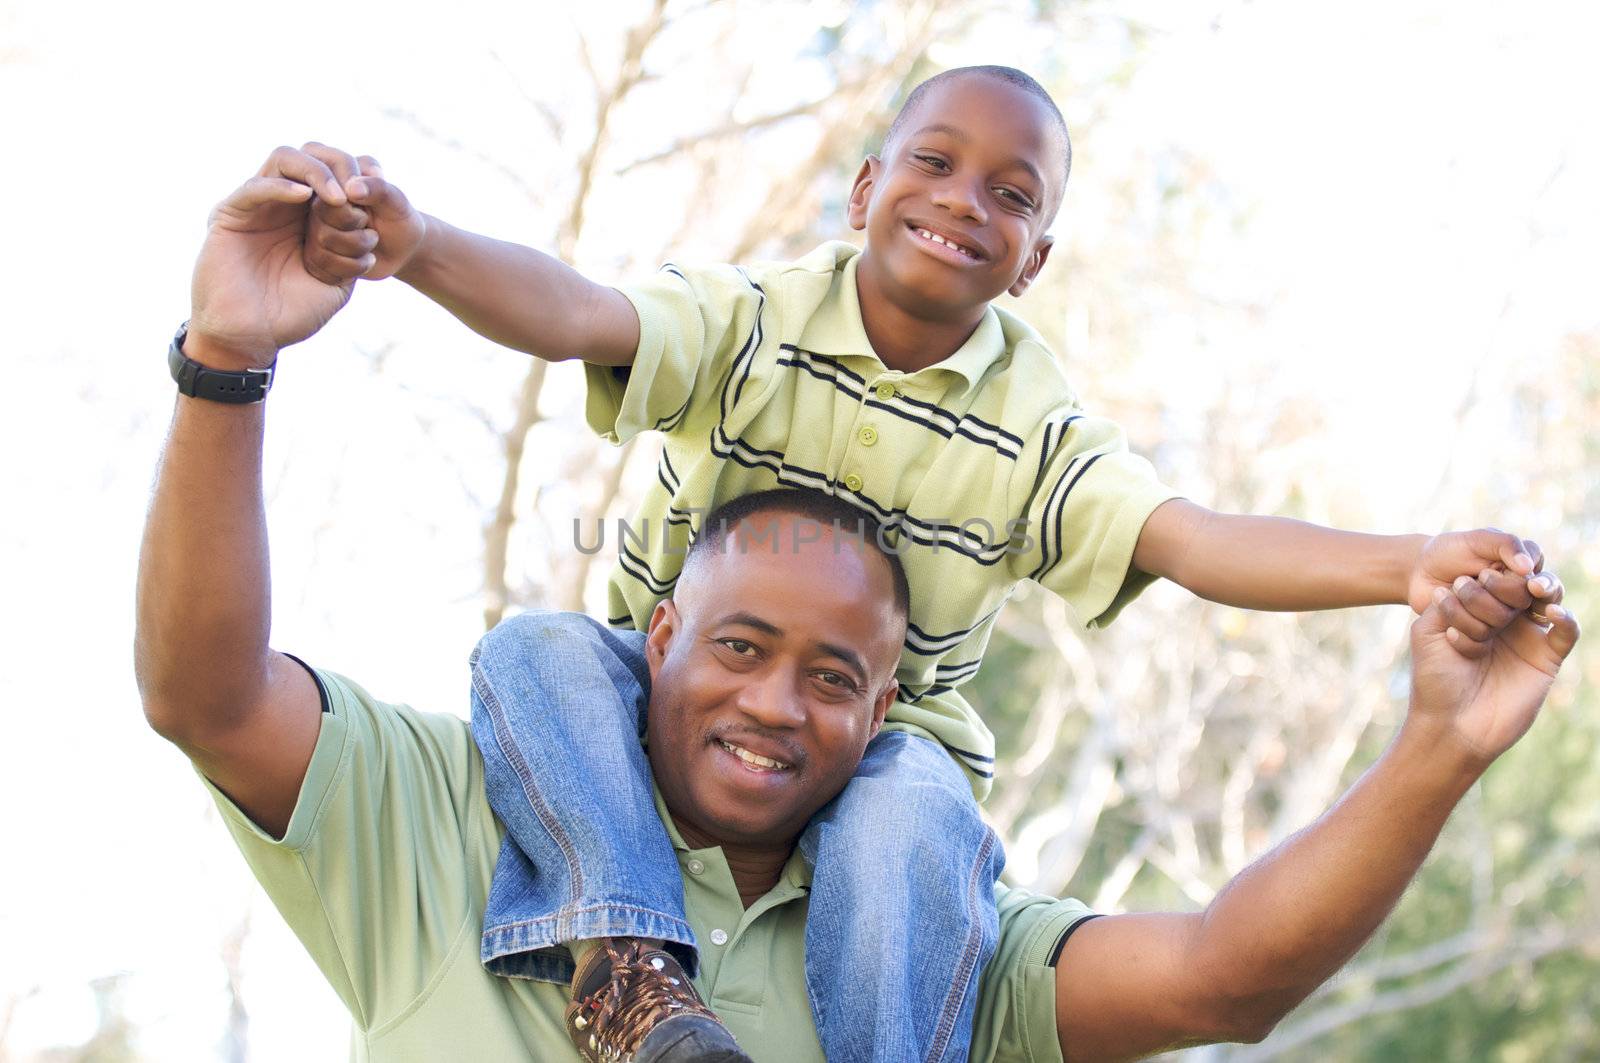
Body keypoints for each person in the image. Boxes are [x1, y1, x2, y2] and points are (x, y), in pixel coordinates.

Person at [132, 155, 1579, 1060]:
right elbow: (205, 695)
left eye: (832, 675)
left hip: (904, 838)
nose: (774, 700)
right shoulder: (451, 819)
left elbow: (1221, 978)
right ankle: (626, 965)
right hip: (572, 779)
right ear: (666, 639)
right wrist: (263, 338)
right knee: (530, 648)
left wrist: (1435, 720)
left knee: (910, 810)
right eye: (744, 648)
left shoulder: (917, 912)